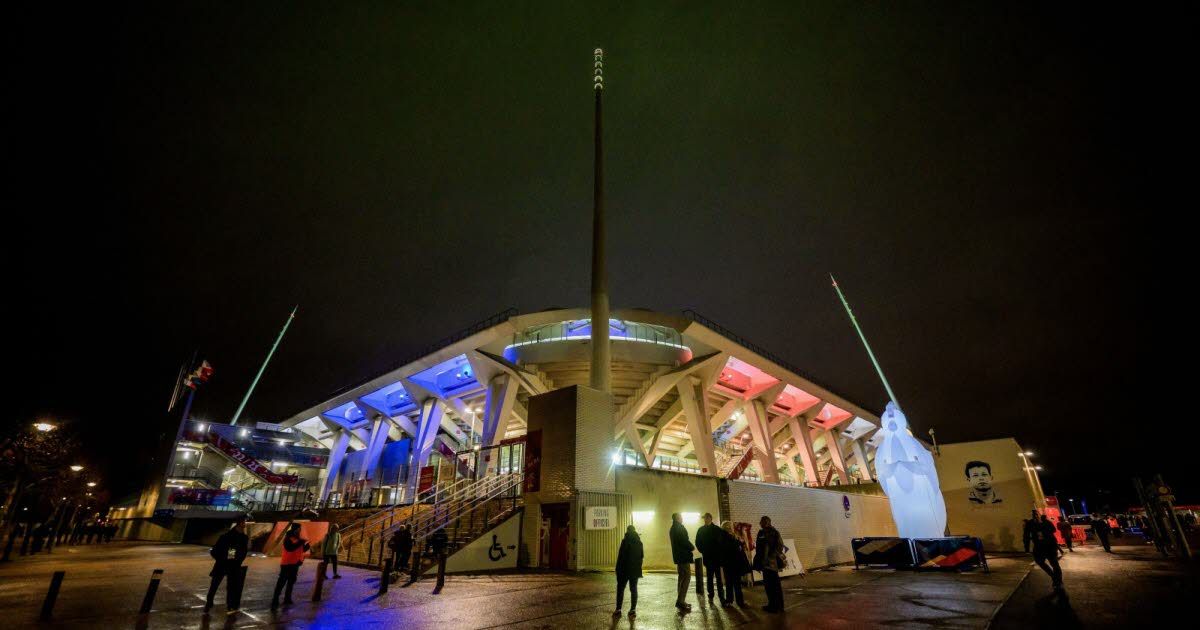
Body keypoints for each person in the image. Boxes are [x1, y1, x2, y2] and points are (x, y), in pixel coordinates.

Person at [205, 518, 249, 613]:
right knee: (216, 585)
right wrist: (224, 558)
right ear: (238, 525)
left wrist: (237, 560)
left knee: (229, 586)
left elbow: (243, 552)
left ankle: (228, 605)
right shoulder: (227, 537)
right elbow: (219, 551)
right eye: (243, 524)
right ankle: (210, 602)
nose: (244, 526)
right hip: (225, 564)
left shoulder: (243, 538)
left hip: (232, 565)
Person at [270, 523, 310, 609]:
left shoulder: (300, 539)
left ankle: (287, 598)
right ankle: (275, 599)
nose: (300, 531)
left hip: (295, 563)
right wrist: (302, 542)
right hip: (286, 564)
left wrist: (308, 545)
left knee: (291, 582)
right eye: (298, 530)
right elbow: (290, 548)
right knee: (281, 582)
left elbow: (302, 549)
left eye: (300, 530)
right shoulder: (288, 538)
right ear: (294, 530)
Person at [753, 515, 786, 613]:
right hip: (765, 564)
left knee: (775, 586)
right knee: (768, 586)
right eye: (761, 522)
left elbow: (780, 546)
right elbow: (759, 548)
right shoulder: (761, 533)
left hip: (772, 564)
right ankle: (771, 604)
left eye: (762, 522)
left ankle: (779, 606)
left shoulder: (775, 533)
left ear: (767, 522)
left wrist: (772, 556)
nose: (760, 523)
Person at [694, 513, 726, 605]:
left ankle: (721, 596)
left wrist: (719, 552)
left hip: (716, 557)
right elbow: (698, 542)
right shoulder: (701, 530)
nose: (706, 519)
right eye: (705, 518)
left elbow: (722, 542)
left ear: (711, 518)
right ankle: (711, 594)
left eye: (707, 518)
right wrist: (703, 550)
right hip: (708, 557)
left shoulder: (717, 529)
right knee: (709, 577)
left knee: (718, 578)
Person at [613, 525, 643, 618]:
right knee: (633, 589)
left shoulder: (625, 541)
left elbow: (621, 557)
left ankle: (618, 609)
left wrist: (617, 569)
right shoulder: (639, 542)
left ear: (627, 531)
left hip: (624, 570)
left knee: (620, 589)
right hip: (635, 570)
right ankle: (633, 610)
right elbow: (641, 556)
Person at [1029, 513, 1064, 591]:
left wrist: (1043, 531)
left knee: (1054, 563)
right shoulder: (1032, 525)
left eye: (1036, 516)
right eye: (1034, 516)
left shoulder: (1047, 523)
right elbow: (1032, 535)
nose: (1035, 517)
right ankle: (1054, 577)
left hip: (1049, 546)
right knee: (1040, 561)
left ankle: (1058, 581)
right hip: (1039, 547)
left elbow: (1053, 530)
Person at [720, 521, 750, 608]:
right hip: (731, 563)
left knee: (732, 582)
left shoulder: (730, 535)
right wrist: (738, 544)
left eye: (731, 526)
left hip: (731, 563)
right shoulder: (725, 536)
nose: (731, 528)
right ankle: (737, 601)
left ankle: (730, 600)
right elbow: (731, 548)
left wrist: (740, 543)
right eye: (729, 526)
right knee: (735, 583)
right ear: (726, 527)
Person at [668, 513, 694, 612]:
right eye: (681, 517)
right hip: (683, 556)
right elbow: (684, 541)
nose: (682, 519)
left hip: (679, 557)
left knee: (681, 577)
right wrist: (691, 547)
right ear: (678, 518)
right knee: (687, 576)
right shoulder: (678, 528)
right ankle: (681, 600)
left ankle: (681, 600)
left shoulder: (673, 528)